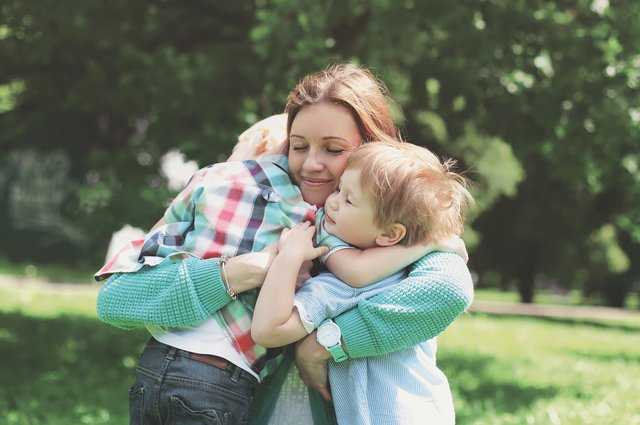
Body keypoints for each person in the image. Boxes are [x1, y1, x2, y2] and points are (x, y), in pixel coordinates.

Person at [95, 64, 473, 425]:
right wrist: (240, 271)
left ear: (371, 152)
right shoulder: (261, 207)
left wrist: (324, 345)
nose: (311, 164)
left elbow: (447, 289)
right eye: (297, 146)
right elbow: (117, 298)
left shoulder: (405, 225)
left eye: (334, 150)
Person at [251, 142, 473, 425]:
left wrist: (289, 257)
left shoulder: (343, 287)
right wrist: (429, 244)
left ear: (390, 234)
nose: (331, 202)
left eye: (348, 200)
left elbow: (268, 330)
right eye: (337, 190)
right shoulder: (413, 274)